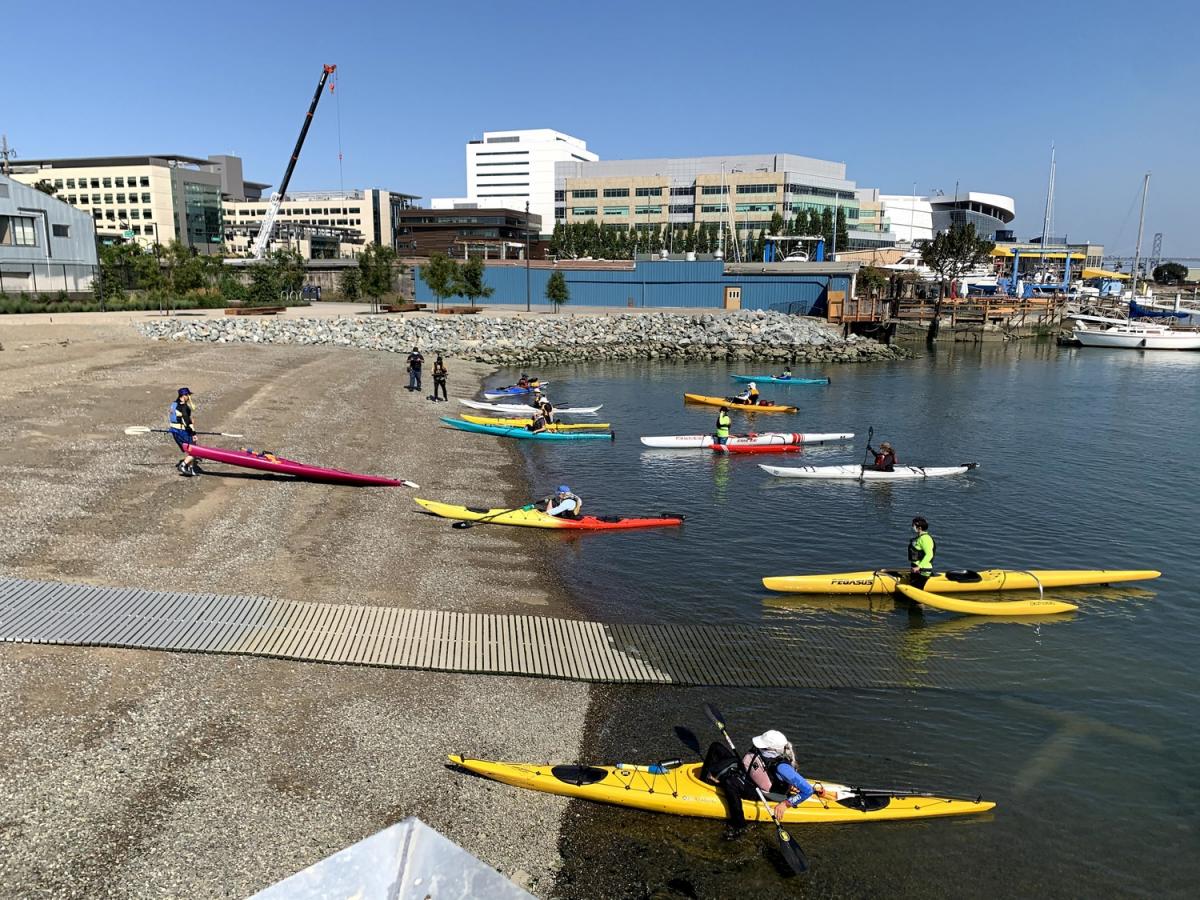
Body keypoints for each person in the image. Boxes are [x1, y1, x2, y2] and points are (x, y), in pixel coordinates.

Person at [742, 730, 831, 821]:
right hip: (764, 785)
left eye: (764, 748)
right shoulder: (772, 755)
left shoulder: (782, 768)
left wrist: (785, 804)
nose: (759, 748)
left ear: (773, 751)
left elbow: (808, 790)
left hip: (773, 794)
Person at [167, 387, 199, 477]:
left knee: (191, 450)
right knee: (194, 450)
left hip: (174, 431)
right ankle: (183, 465)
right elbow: (187, 422)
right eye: (188, 395)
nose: (189, 398)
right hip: (182, 431)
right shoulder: (184, 407)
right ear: (184, 396)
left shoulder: (174, 404)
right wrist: (193, 433)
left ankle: (191, 469)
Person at [908, 516, 936, 588]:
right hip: (915, 569)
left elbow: (929, 554)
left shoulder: (925, 539)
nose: (912, 527)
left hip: (922, 571)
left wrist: (919, 567)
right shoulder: (919, 537)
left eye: (913, 525)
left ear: (919, 528)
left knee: (914, 589)